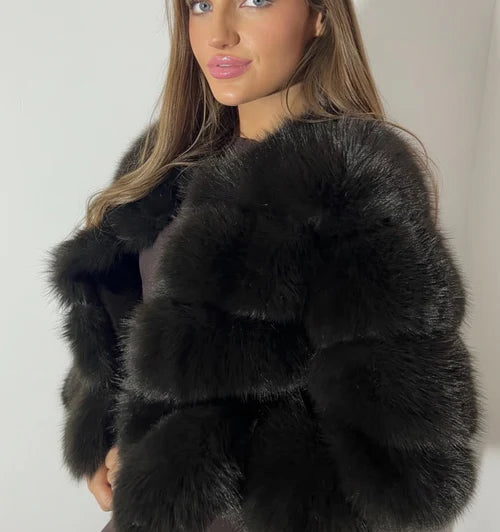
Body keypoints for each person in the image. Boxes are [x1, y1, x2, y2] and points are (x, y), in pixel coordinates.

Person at [45, 0, 484, 531]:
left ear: (320, 16)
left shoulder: (350, 182)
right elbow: (121, 333)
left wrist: (180, 460)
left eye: (255, 0)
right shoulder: (161, 166)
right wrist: (105, 430)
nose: (219, 33)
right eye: (201, 5)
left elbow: (406, 468)